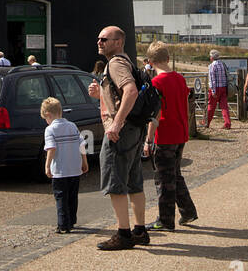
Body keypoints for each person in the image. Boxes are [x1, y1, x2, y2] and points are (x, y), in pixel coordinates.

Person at [88, 25, 149, 251]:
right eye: (98, 38)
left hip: (120, 132)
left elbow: (130, 91)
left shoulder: (115, 63)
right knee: (134, 181)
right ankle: (140, 231)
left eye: (104, 39)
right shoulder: (126, 61)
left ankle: (124, 234)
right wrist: (101, 94)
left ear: (118, 42)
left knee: (116, 182)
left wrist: (116, 123)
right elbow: (122, 94)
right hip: (135, 128)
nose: (99, 42)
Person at [142, 41, 197, 232]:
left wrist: (148, 140)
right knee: (175, 174)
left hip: (164, 134)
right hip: (180, 132)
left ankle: (165, 219)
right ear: (167, 58)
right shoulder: (180, 79)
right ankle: (187, 210)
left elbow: (154, 114)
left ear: (150, 61)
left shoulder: (155, 83)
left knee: (164, 179)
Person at [42, 96, 88, 233]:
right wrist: (84, 161)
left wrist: (47, 165)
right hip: (75, 168)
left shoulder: (50, 130)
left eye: (45, 119)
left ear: (48, 115)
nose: (46, 122)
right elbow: (82, 145)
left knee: (60, 196)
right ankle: (72, 221)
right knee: (72, 196)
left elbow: (51, 149)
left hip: (60, 170)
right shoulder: (72, 126)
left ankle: (63, 225)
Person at [206, 49, 231, 130]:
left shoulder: (212, 66)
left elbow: (212, 79)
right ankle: (227, 123)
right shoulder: (222, 64)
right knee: (224, 106)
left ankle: (207, 122)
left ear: (212, 57)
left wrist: (213, 90)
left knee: (211, 106)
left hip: (216, 88)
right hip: (224, 87)